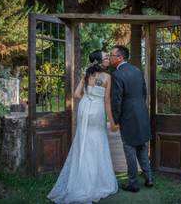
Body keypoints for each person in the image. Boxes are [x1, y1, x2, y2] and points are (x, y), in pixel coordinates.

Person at [47, 50, 118, 204]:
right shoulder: (107, 77)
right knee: (97, 142)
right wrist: (112, 121)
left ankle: (79, 178)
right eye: (105, 57)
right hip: (97, 109)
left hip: (85, 108)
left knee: (83, 141)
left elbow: (76, 94)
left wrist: (88, 97)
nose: (107, 59)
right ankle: (94, 181)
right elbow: (107, 102)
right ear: (99, 61)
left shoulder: (86, 75)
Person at [110, 45, 153, 193]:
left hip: (128, 116)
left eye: (112, 55)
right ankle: (149, 178)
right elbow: (144, 92)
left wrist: (116, 120)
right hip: (141, 113)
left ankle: (133, 183)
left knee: (129, 149)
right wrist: (139, 107)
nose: (110, 58)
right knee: (142, 146)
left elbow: (116, 101)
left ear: (120, 57)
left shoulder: (117, 74)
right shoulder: (137, 70)